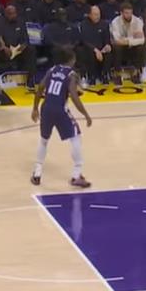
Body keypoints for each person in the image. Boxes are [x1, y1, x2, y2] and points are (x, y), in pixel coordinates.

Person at [30, 47, 92, 188]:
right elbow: (74, 96)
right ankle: (76, 175)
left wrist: (34, 108)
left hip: (46, 108)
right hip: (60, 109)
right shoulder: (71, 74)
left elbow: (40, 87)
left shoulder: (52, 70)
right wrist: (86, 114)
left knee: (44, 140)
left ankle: (37, 173)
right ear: (72, 60)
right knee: (76, 137)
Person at [109, 3, 146, 85]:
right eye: (126, 13)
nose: (129, 15)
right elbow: (117, 40)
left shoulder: (138, 21)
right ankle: (117, 75)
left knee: (141, 46)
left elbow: (140, 39)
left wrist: (126, 40)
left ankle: (136, 74)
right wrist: (132, 39)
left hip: (132, 48)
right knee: (116, 47)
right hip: (121, 48)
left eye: (130, 13)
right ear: (121, 13)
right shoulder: (115, 22)